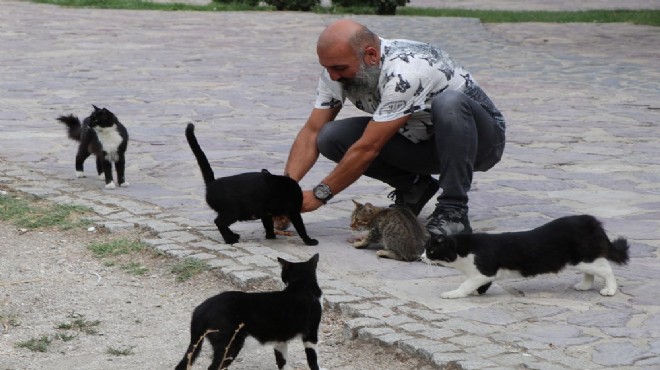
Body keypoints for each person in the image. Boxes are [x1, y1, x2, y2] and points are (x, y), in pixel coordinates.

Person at [283, 19, 506, 238]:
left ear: (371, 55)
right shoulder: (336, 72)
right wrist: (282, 193)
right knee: (330, 137)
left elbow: (369, 147)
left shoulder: (408, 71)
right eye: (327, 68)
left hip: (479, 143)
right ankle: (415, 188)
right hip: (423, 144)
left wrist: (321, 194)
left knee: (449, 103)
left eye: (339, 68)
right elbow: (312, 131)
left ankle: (454, 210)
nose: (332, 76)